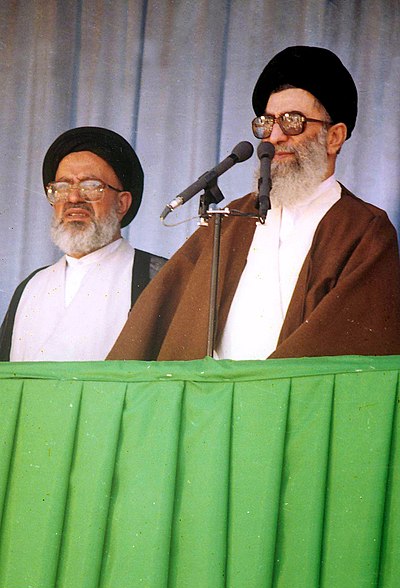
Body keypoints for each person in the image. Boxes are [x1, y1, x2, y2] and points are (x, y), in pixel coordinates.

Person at [107, 46, 400, 361]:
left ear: (334, 137)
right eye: (266, 123)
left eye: (292, 121)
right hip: (210, 404)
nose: (273, 137)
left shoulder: (363, 229)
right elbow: (156, 321)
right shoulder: (232, 217)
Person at [0, 126, 166, 361]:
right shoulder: (30, 288)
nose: (74, 198)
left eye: (90, 186)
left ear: (122, 203)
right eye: (62, 187)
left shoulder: (157, 278)